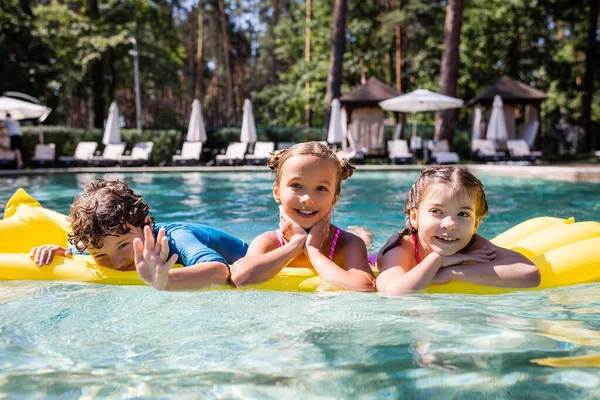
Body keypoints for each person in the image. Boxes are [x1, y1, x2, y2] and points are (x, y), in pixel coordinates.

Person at [29, 178, 248, 291]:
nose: (115, 263)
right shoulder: (100, 246)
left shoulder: (176, 238)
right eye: (101, 256)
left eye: (124, 246)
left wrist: (166, 281)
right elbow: (81, 253)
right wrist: (60, 253)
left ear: (145, 226)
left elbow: (221, 273)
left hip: (250, 257)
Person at [230, 141, 376, 292]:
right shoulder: (268, 242)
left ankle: (362, 232)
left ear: (334, 199)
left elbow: (366, 286)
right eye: (296, 186)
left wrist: (313, 250)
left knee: (365, 242)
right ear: (277, 192)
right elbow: (239, 278)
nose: (307, 198)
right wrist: (296, 243)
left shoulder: (348, 244)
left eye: (321, 188)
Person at [376, 165, 541, 296]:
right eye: (436, 211)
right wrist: (436, 260)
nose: (450, 224)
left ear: (475, 225)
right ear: (414, 217)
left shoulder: (471, 244)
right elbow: (392, 292)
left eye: (463, 214)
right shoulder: (401, 247)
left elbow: (530, 274)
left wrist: (450, 273)